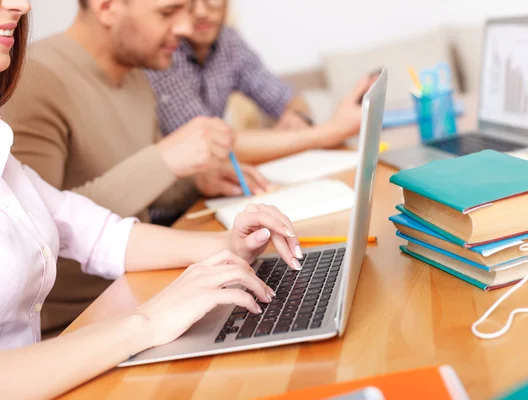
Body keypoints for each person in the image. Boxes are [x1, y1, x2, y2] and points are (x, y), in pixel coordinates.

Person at [0, 1, 303, 397]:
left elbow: (97, 232)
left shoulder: (7, 157)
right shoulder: (45, 80)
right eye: (166, 12)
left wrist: (229, 247)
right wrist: (146, 322)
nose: (22, 5)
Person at [146, 0, 371, 164]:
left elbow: (285, 96)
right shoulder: (163, 51)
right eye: (190, 3)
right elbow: (206, 143)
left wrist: (298, 117)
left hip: (213, 182)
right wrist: (326, 133)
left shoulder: (228, 42)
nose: (203, 12)